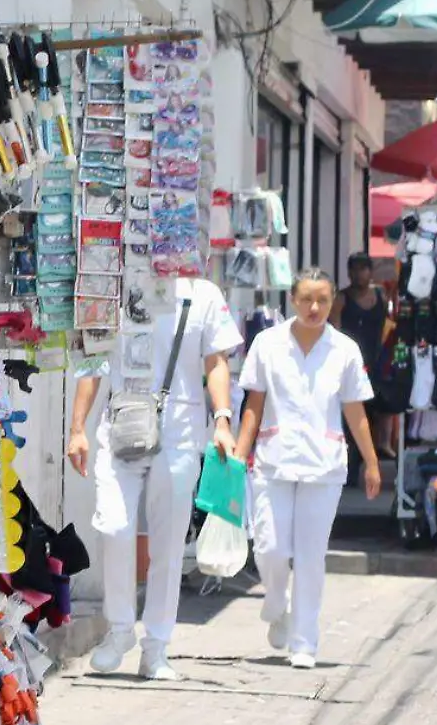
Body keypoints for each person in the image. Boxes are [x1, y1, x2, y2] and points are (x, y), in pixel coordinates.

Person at [68, 276, 244, 680]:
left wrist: (222, 420)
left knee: (168, 542)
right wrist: (77, 428)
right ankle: (119, 629)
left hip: (179, 429)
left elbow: (216, 361)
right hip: (120, 423)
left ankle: (157, 646)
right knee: (113, 525)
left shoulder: (202, 294)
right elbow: (93, 360)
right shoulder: (113, 282)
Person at [234, 270, 381, 670]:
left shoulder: (345, 350)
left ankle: (304, 641)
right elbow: (254, 405)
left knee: (312, 556)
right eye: (306, 299)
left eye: (322, 300)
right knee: (270, 547)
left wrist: (371, 460)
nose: (314, 308)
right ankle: (276, 600)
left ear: (333, 301)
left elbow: (355, 408)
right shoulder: (267, 344)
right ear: (292, 301)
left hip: (324, 464)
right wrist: (237, 456)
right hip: (272, 459)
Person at [336, 252, 394, 460]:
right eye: (355, 269)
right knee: (353, 413)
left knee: (383, 406)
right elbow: (334, 331)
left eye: (363, 269)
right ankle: (352, 463)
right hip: (351, 363)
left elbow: (390, 324)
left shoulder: (381, 295)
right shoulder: (342, 298)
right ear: (349, 273)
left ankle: (383, 444)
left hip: (378, 360)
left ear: (370, 272)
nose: (359, 274)